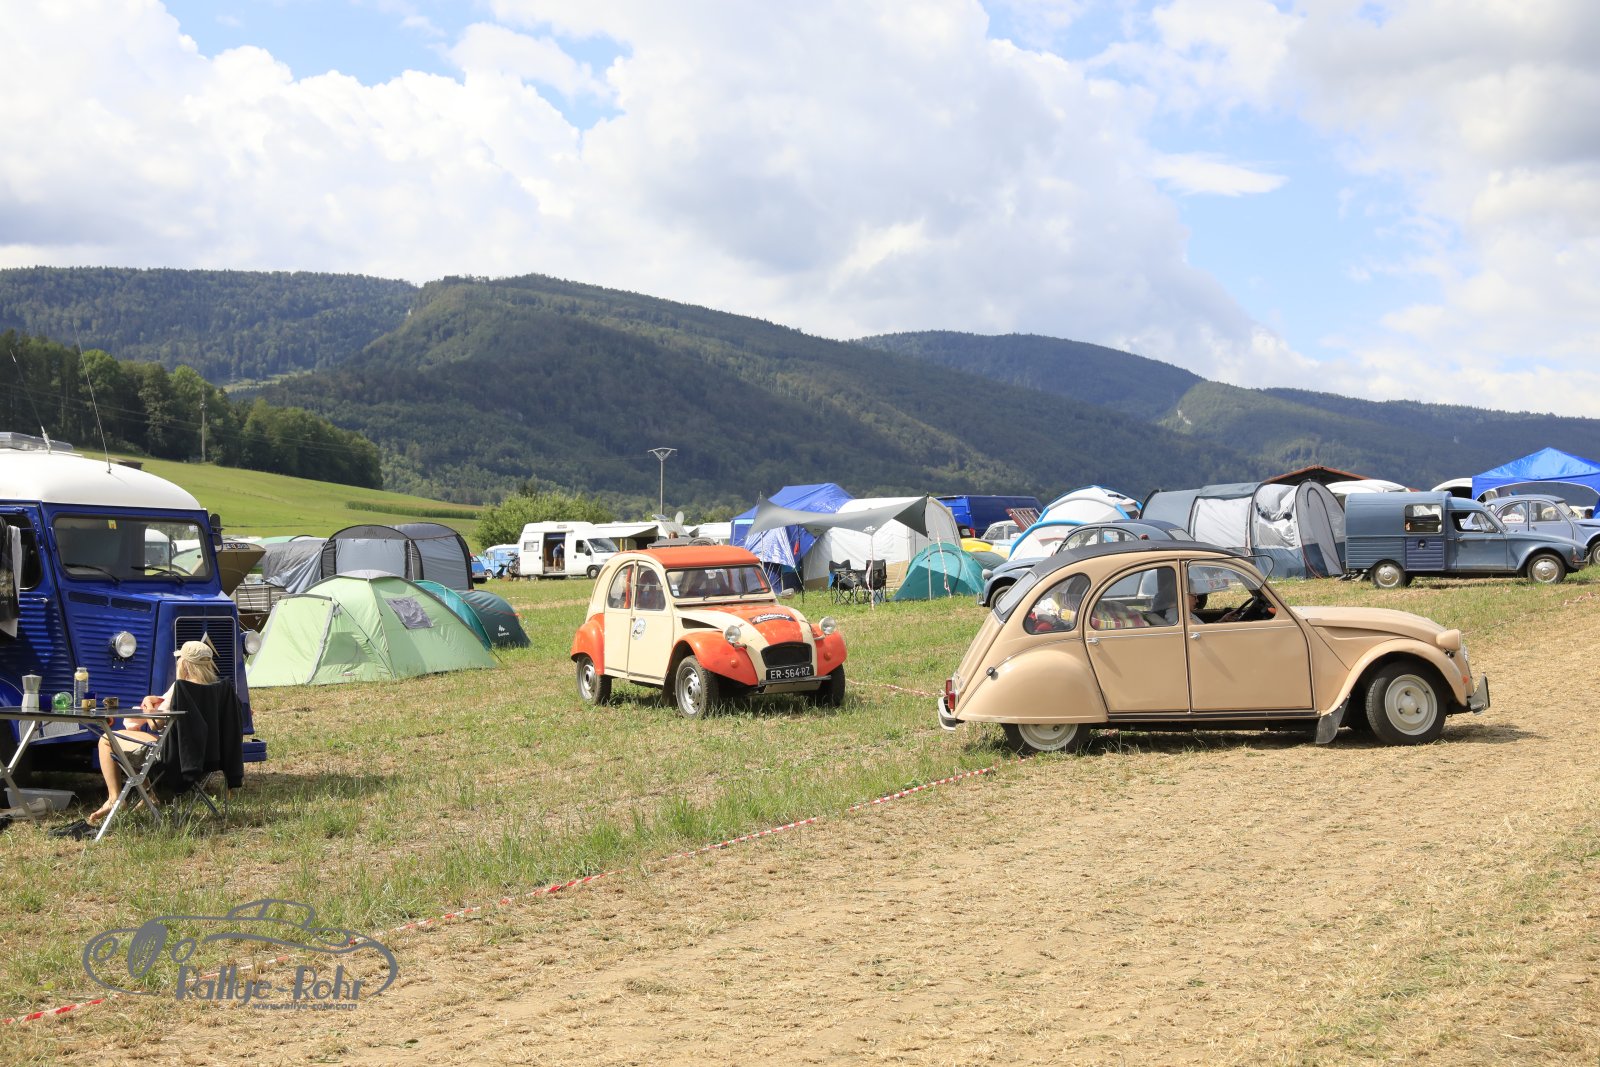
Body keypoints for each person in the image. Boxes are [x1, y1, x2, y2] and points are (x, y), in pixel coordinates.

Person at [88, 640, 219, 826]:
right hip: (206, 757)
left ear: (185, 663)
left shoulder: (182, 687)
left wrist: (148, 704)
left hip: (174, 757)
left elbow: (156, 724)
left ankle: (115, 799)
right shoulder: (218, 689)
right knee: (131, 742)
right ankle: (149, 796)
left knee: (107, 740)